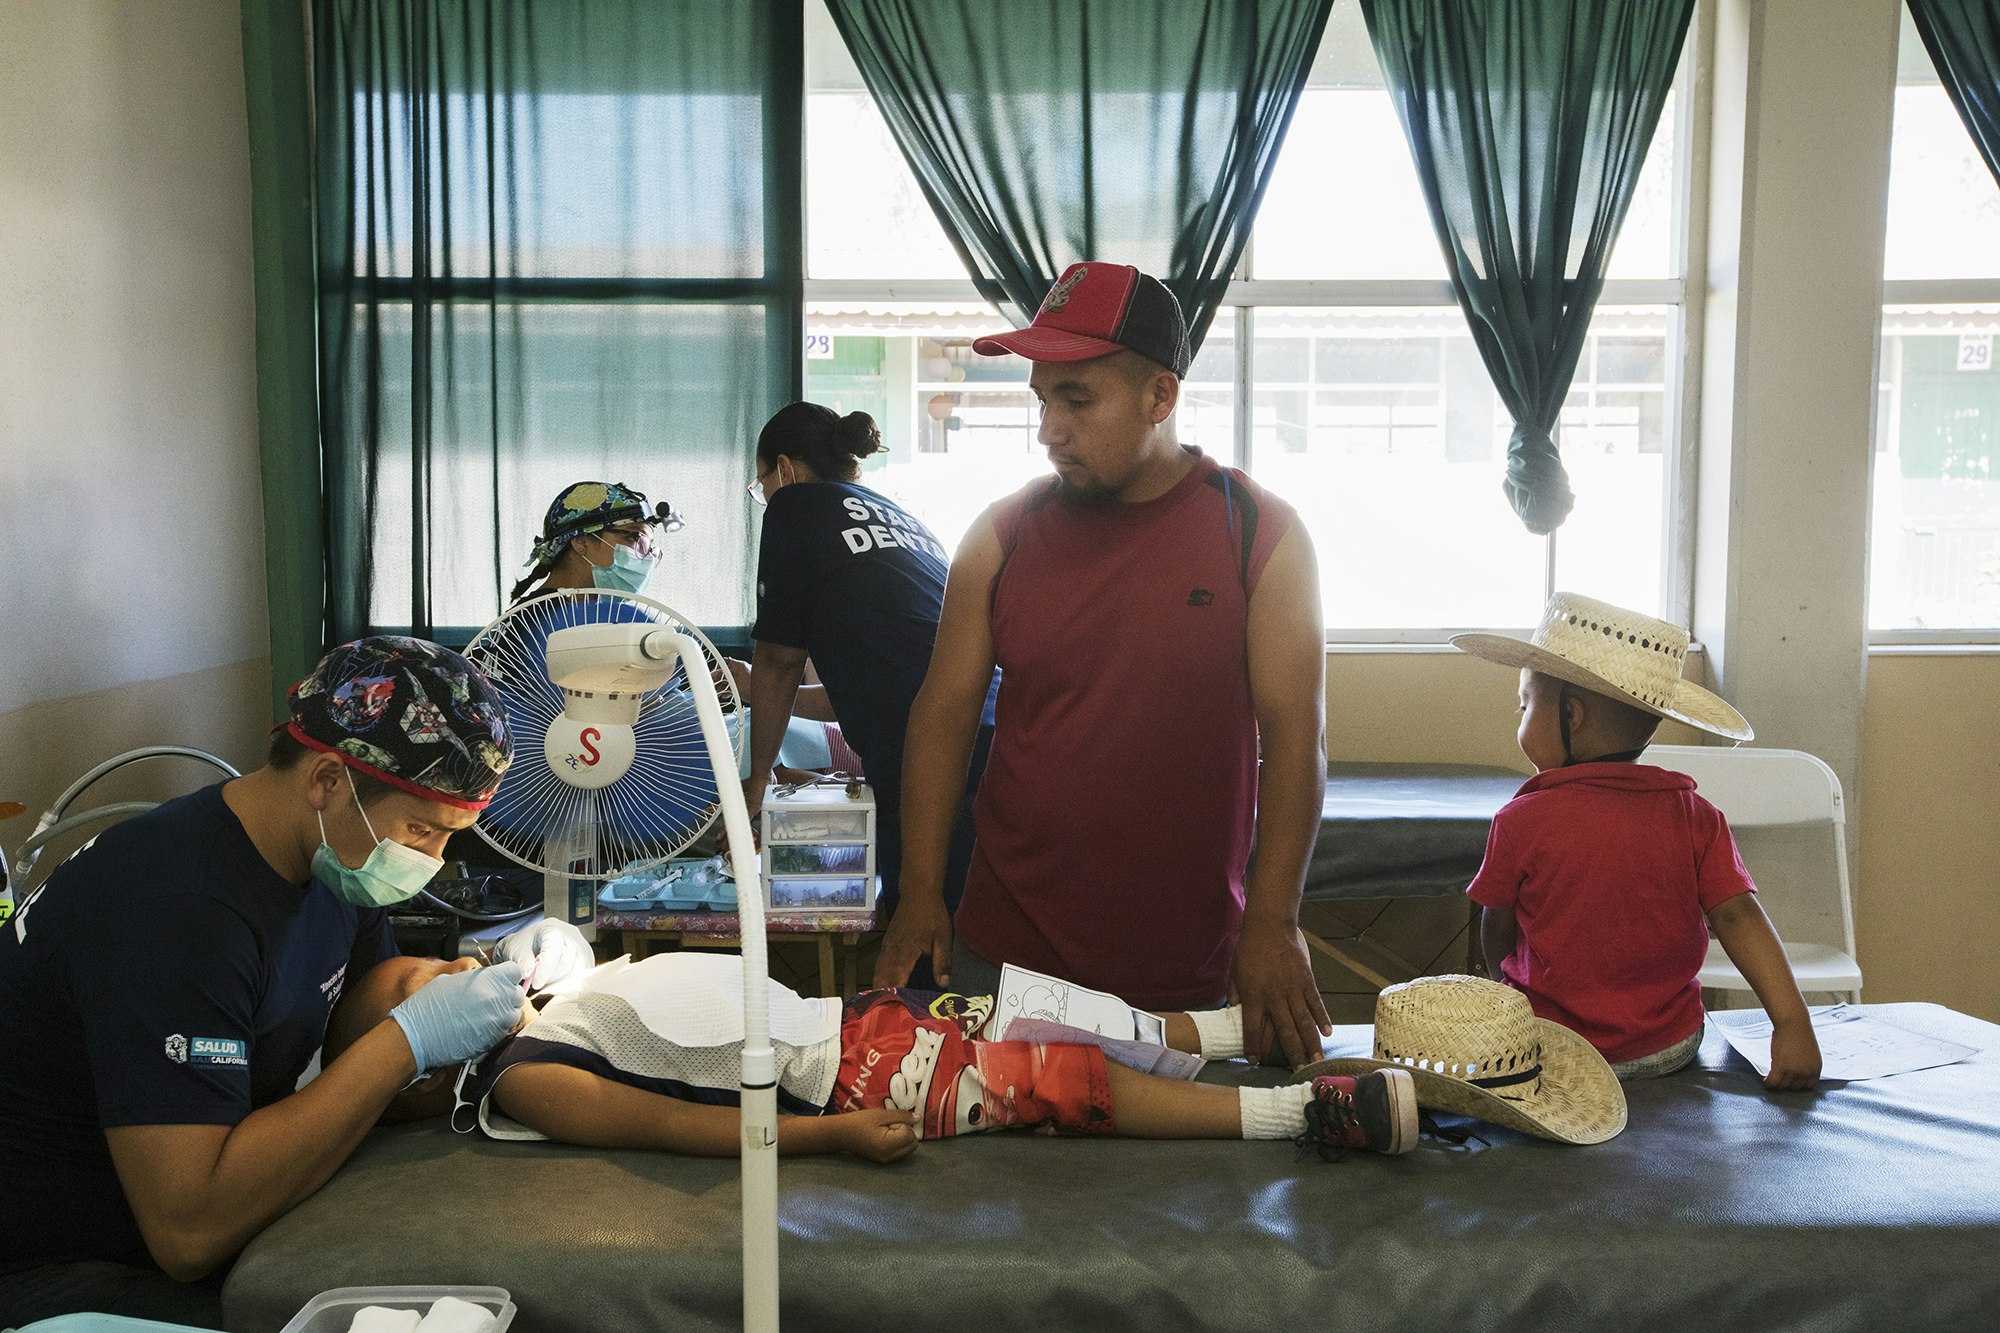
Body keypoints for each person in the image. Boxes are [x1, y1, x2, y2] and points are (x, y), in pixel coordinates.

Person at [0, 638, 565, 1327]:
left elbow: (361, 1008)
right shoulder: (179, 911)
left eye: (450, 836)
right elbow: (188, 1233)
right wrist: (407, 1042)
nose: (431, 859)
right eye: (421, 829)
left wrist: (459, 978)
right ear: (326, 779)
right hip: (60, 1272)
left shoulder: (328, 856)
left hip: (197, 1209)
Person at [874, 261, 1332, 1067]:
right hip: (1003, 957)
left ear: (1161, 396)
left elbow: (1296, 741)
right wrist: (918, 893)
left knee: (1175, 1189)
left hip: (1180, 969)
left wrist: (1274, 921)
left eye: (1077, 399)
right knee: (995, 1184)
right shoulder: (1001, 536)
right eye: (1043, 398)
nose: (1050, 428)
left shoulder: (1258, 534)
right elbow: (940, 717)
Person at [327, 951, 1420, 1162]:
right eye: (425, 990)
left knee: (1063, 1011)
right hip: (850, 1079)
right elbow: (677, 1125)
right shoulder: (528, 1076)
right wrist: (830, 1138)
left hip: (856, 1014)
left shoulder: (567, 988)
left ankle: (1241, 1036)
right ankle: (1301, 1116)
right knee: (1064, 1084)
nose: (465, 969)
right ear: (426, 1064)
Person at [1451, 592, 1823, 1089]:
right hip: (1670, 1049)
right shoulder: (1695, 814)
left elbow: (1496, 927)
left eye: (1524, 707)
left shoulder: (1521, 819)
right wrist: (1793, 1026)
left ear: (1572, 716)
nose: (1519, 722)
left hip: (1555, 1050)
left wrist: (1503, 985)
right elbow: (1739, 916)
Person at [742, 403, 995, 986]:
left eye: (761, 486)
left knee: (922, 941)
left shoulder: (794, 507)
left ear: (785, 468)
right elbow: (866, 681)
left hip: (932, 754)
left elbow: (778, 662)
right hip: (997, 732)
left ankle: (924, 1063)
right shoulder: (898, 516)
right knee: (964, 929)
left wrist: (758, 778)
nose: (766, 497)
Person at [508, 479, 683, 606]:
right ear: (581, 542)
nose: (647, 556)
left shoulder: (596, 616)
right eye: (635, 537)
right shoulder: (534, 621)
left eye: (649, 546)